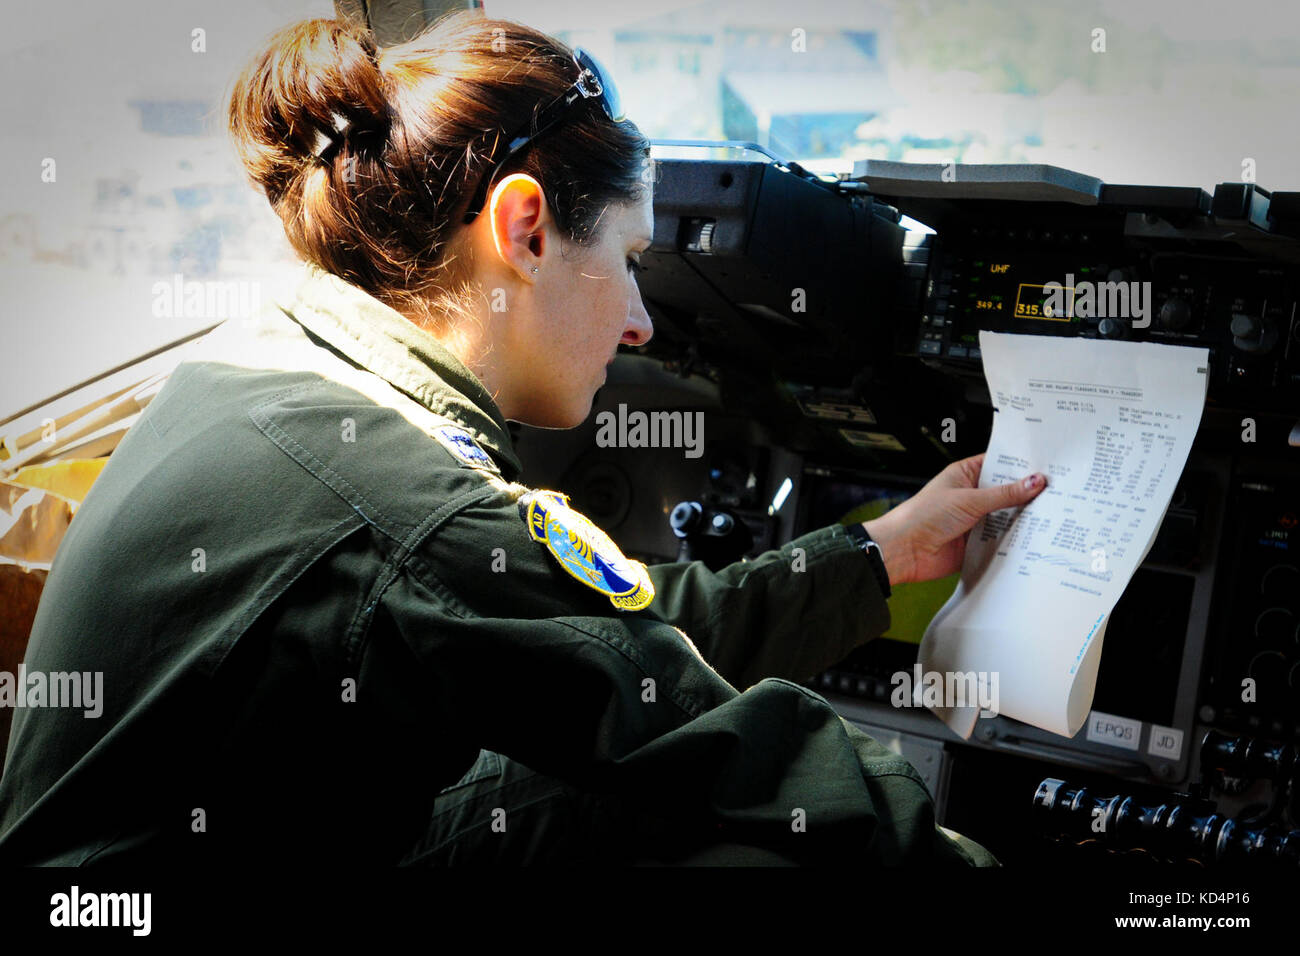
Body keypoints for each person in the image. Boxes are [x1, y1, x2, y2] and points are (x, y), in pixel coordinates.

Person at [0, 12, 1046, 866]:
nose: (640, 321)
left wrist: (881, 551)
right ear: (525, 229)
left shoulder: (273, 358)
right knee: (770, 834)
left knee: (603, 789)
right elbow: (735, 747)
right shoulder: (414, 507)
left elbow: (604, 646)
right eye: (628, 258)